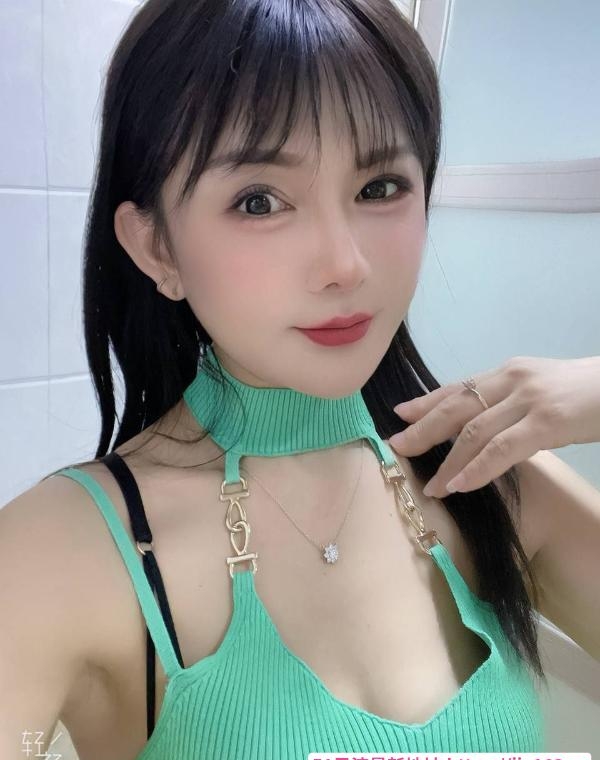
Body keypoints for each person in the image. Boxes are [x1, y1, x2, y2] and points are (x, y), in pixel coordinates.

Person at [2, 1, 599, 758]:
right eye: (260, 201)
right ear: (156, 248)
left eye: (380, 187)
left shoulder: (490, 479)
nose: (346, 264)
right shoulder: (62, 549)